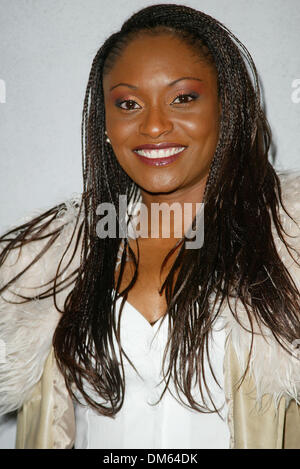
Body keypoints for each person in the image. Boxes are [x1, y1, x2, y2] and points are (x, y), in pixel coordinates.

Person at [0, 3, 300, 450]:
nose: (154, 125)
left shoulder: (289, 249)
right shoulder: (45, 266)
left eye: (183, 97)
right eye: (128, 103)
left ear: (227, 108)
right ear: (106, 123)